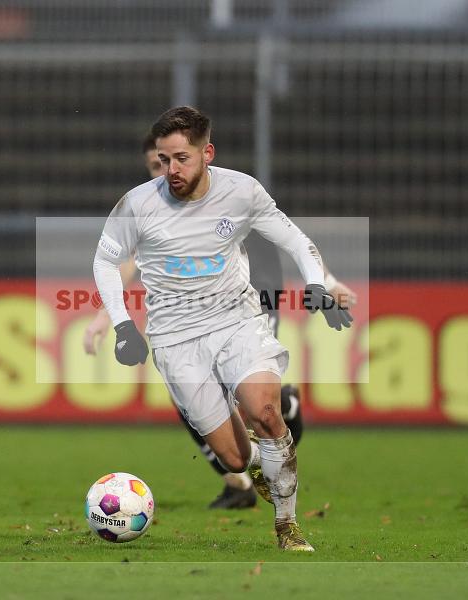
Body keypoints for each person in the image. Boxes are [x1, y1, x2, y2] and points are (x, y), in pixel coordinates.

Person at [92, 106, 352, 551]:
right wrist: (122, 325)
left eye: (181, 158)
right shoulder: (138, 204)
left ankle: (287, 526)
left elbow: (292, 238)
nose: (170, 170)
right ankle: (257, 468)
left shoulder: (241, 192)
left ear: (207, 153)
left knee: (265, 410)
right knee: (234, 456)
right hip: (175, 339)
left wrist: (318, 283)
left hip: (237, 320)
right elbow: (105, 262)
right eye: (163, 159)